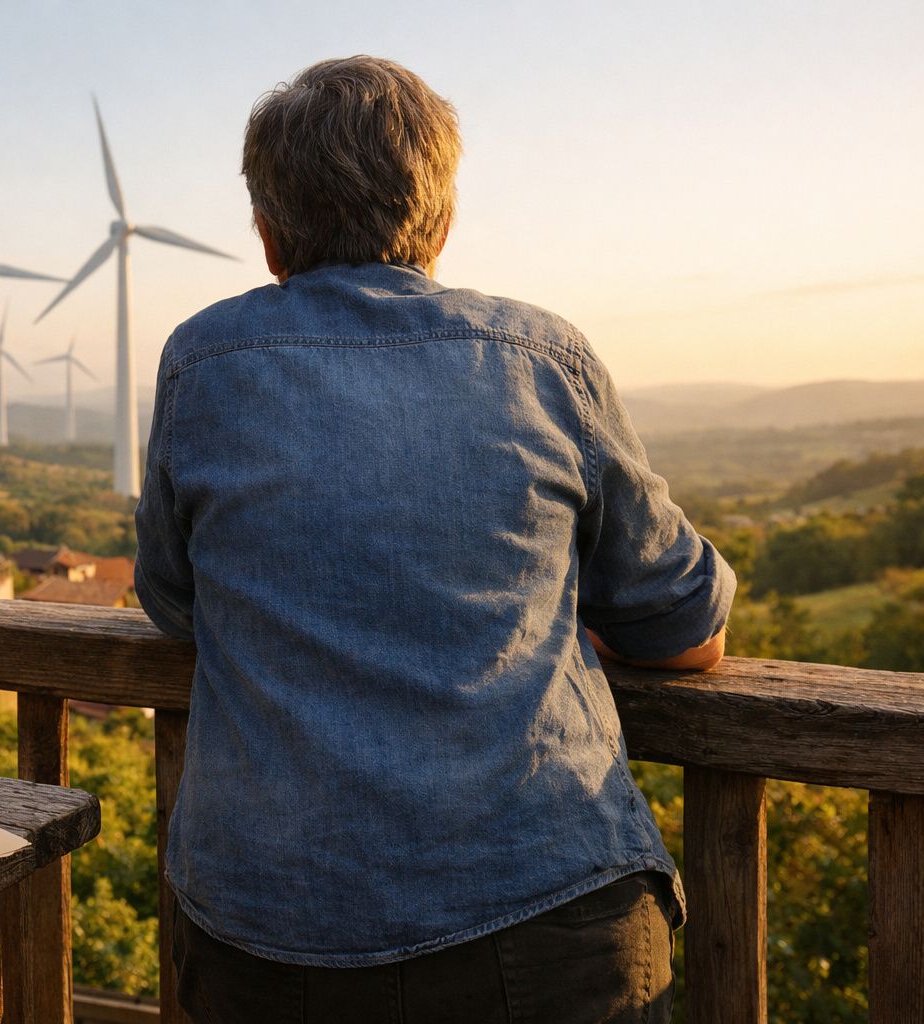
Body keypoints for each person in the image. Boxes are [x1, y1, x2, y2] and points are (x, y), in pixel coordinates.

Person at [133, 55, 734, 1023]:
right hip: (542, 910)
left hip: (272, 931)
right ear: (442, 222)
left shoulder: (204, 361)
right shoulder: (543, 359)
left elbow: (172, 599)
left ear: (268, 234)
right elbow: (682, 623)